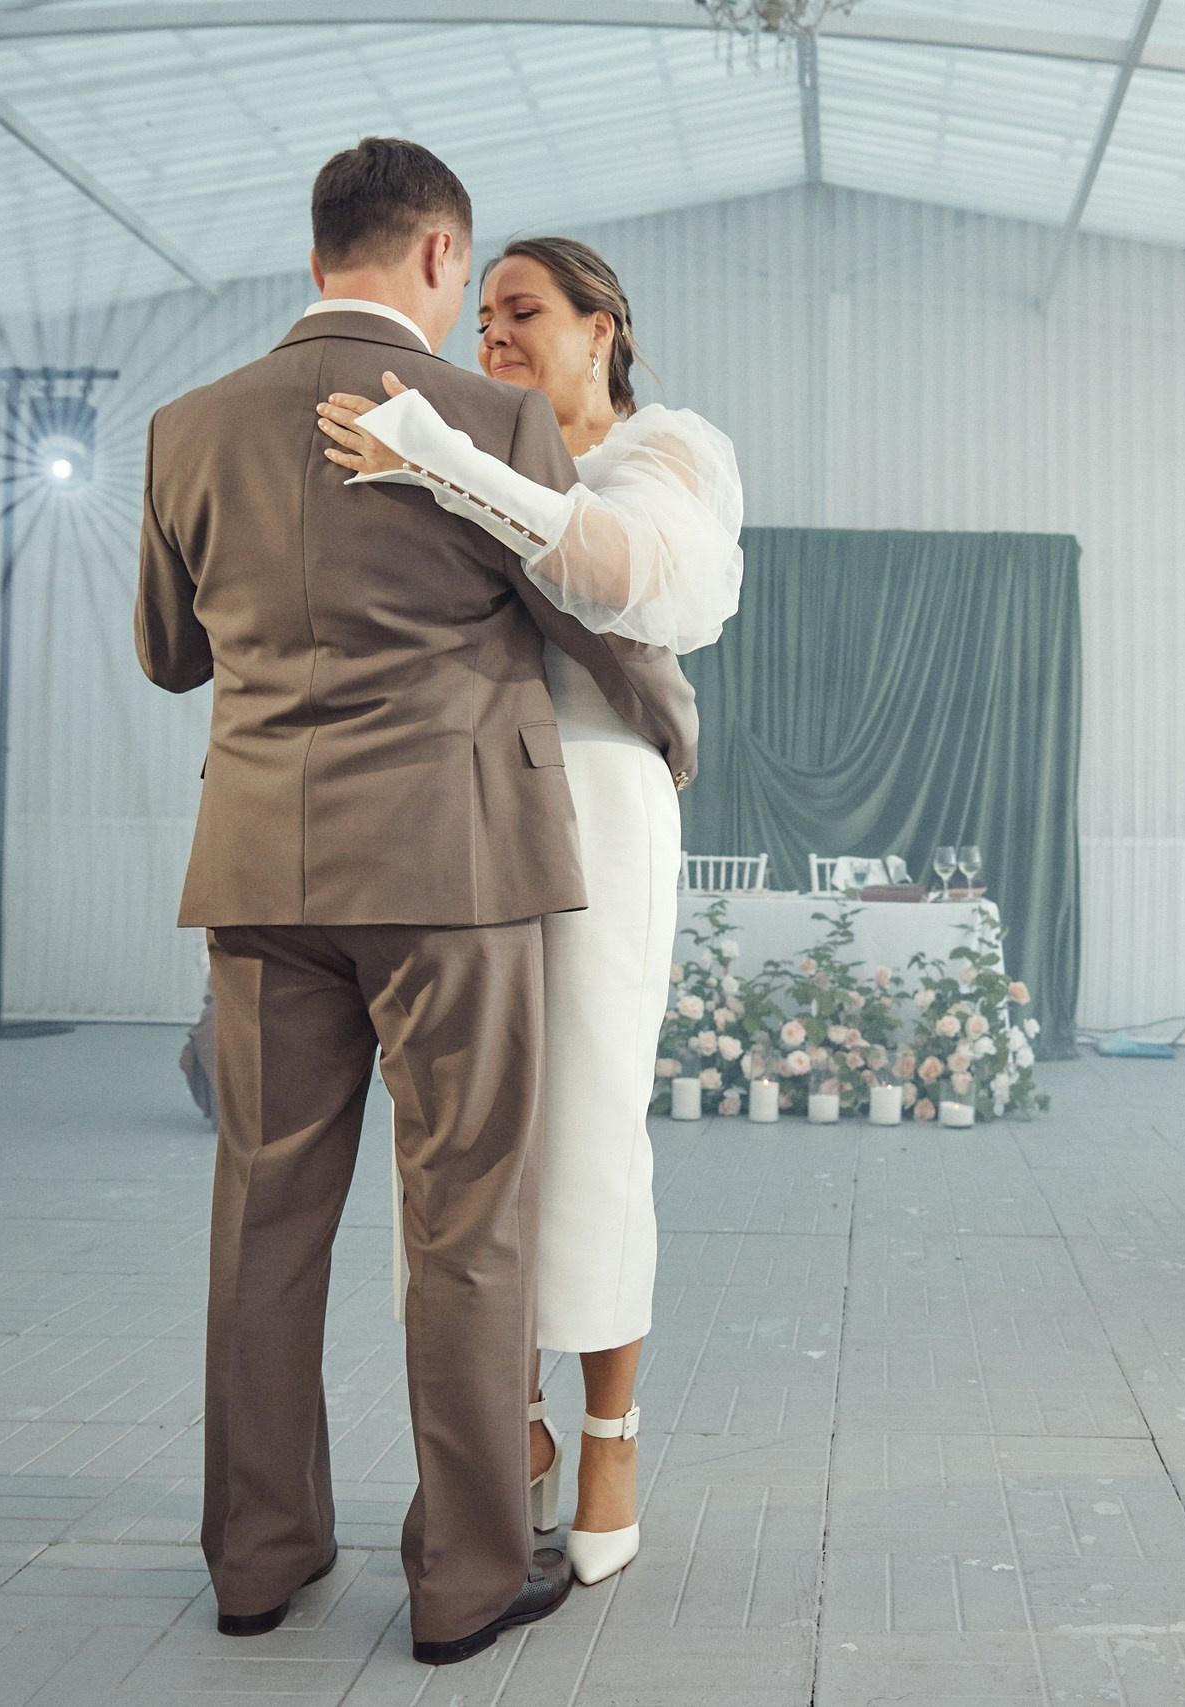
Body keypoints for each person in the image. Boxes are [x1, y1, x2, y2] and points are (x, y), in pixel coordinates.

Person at [135, 139, 697, 1664]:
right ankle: (460, 1576)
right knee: (469, 1217)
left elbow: (169, 654)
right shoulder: (490, 416)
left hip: (259, 868)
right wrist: (669, 712)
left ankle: (257, 1556)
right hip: (454, 871)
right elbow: (576, 607)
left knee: (264, 1214)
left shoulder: (185, 427)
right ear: (441, 258)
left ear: (323, 248)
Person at [313, 236, 742, 1588]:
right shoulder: (445, 444)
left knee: (591, 1121)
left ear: (601, 325)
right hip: (456, 801)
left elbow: (625, 572)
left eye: (525, 310)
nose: (493, 332)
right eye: (482, 310)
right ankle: (519, 1429)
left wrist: (434, 457)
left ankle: (609, 1427)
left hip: (599, 799)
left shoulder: (663, 449)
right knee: (450, 1123)